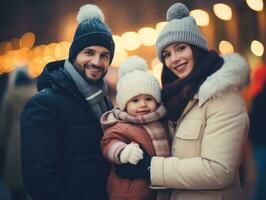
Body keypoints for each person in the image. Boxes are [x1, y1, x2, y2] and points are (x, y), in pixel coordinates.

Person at [116, 3, 250, 200]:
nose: (175, 59)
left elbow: (218, 170)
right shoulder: (178, 98)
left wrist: (151, 167)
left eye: (181, 48)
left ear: (195, 49)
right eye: (167, 54)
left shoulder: (223, 96)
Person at [20, 4, 115, 200]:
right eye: (89, 52)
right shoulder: (43, 105)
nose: (97, 62)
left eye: (104, 55)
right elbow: (40, 180)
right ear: (74, 55)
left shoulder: (105, 102)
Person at [101, 56, 171, 200]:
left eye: (149, 99)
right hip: (130, 193)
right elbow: (108, 143)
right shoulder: (121, 125)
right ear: (124, 104)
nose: (143, 105)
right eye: (135, 100)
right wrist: (123, 152)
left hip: (161, 189)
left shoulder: (163, 121)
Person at [0, 68, 35, 200]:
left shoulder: (10, 95)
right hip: (33, 132)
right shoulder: (34, 92)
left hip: (14, 136)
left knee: (16, 177)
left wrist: (2, 141)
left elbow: (3, 121)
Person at [248, 66, 266, 200]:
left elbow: (252, 121)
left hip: (259, 143)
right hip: (260, 143)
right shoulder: (258, 96)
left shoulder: (257, 96)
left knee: (261, 177)